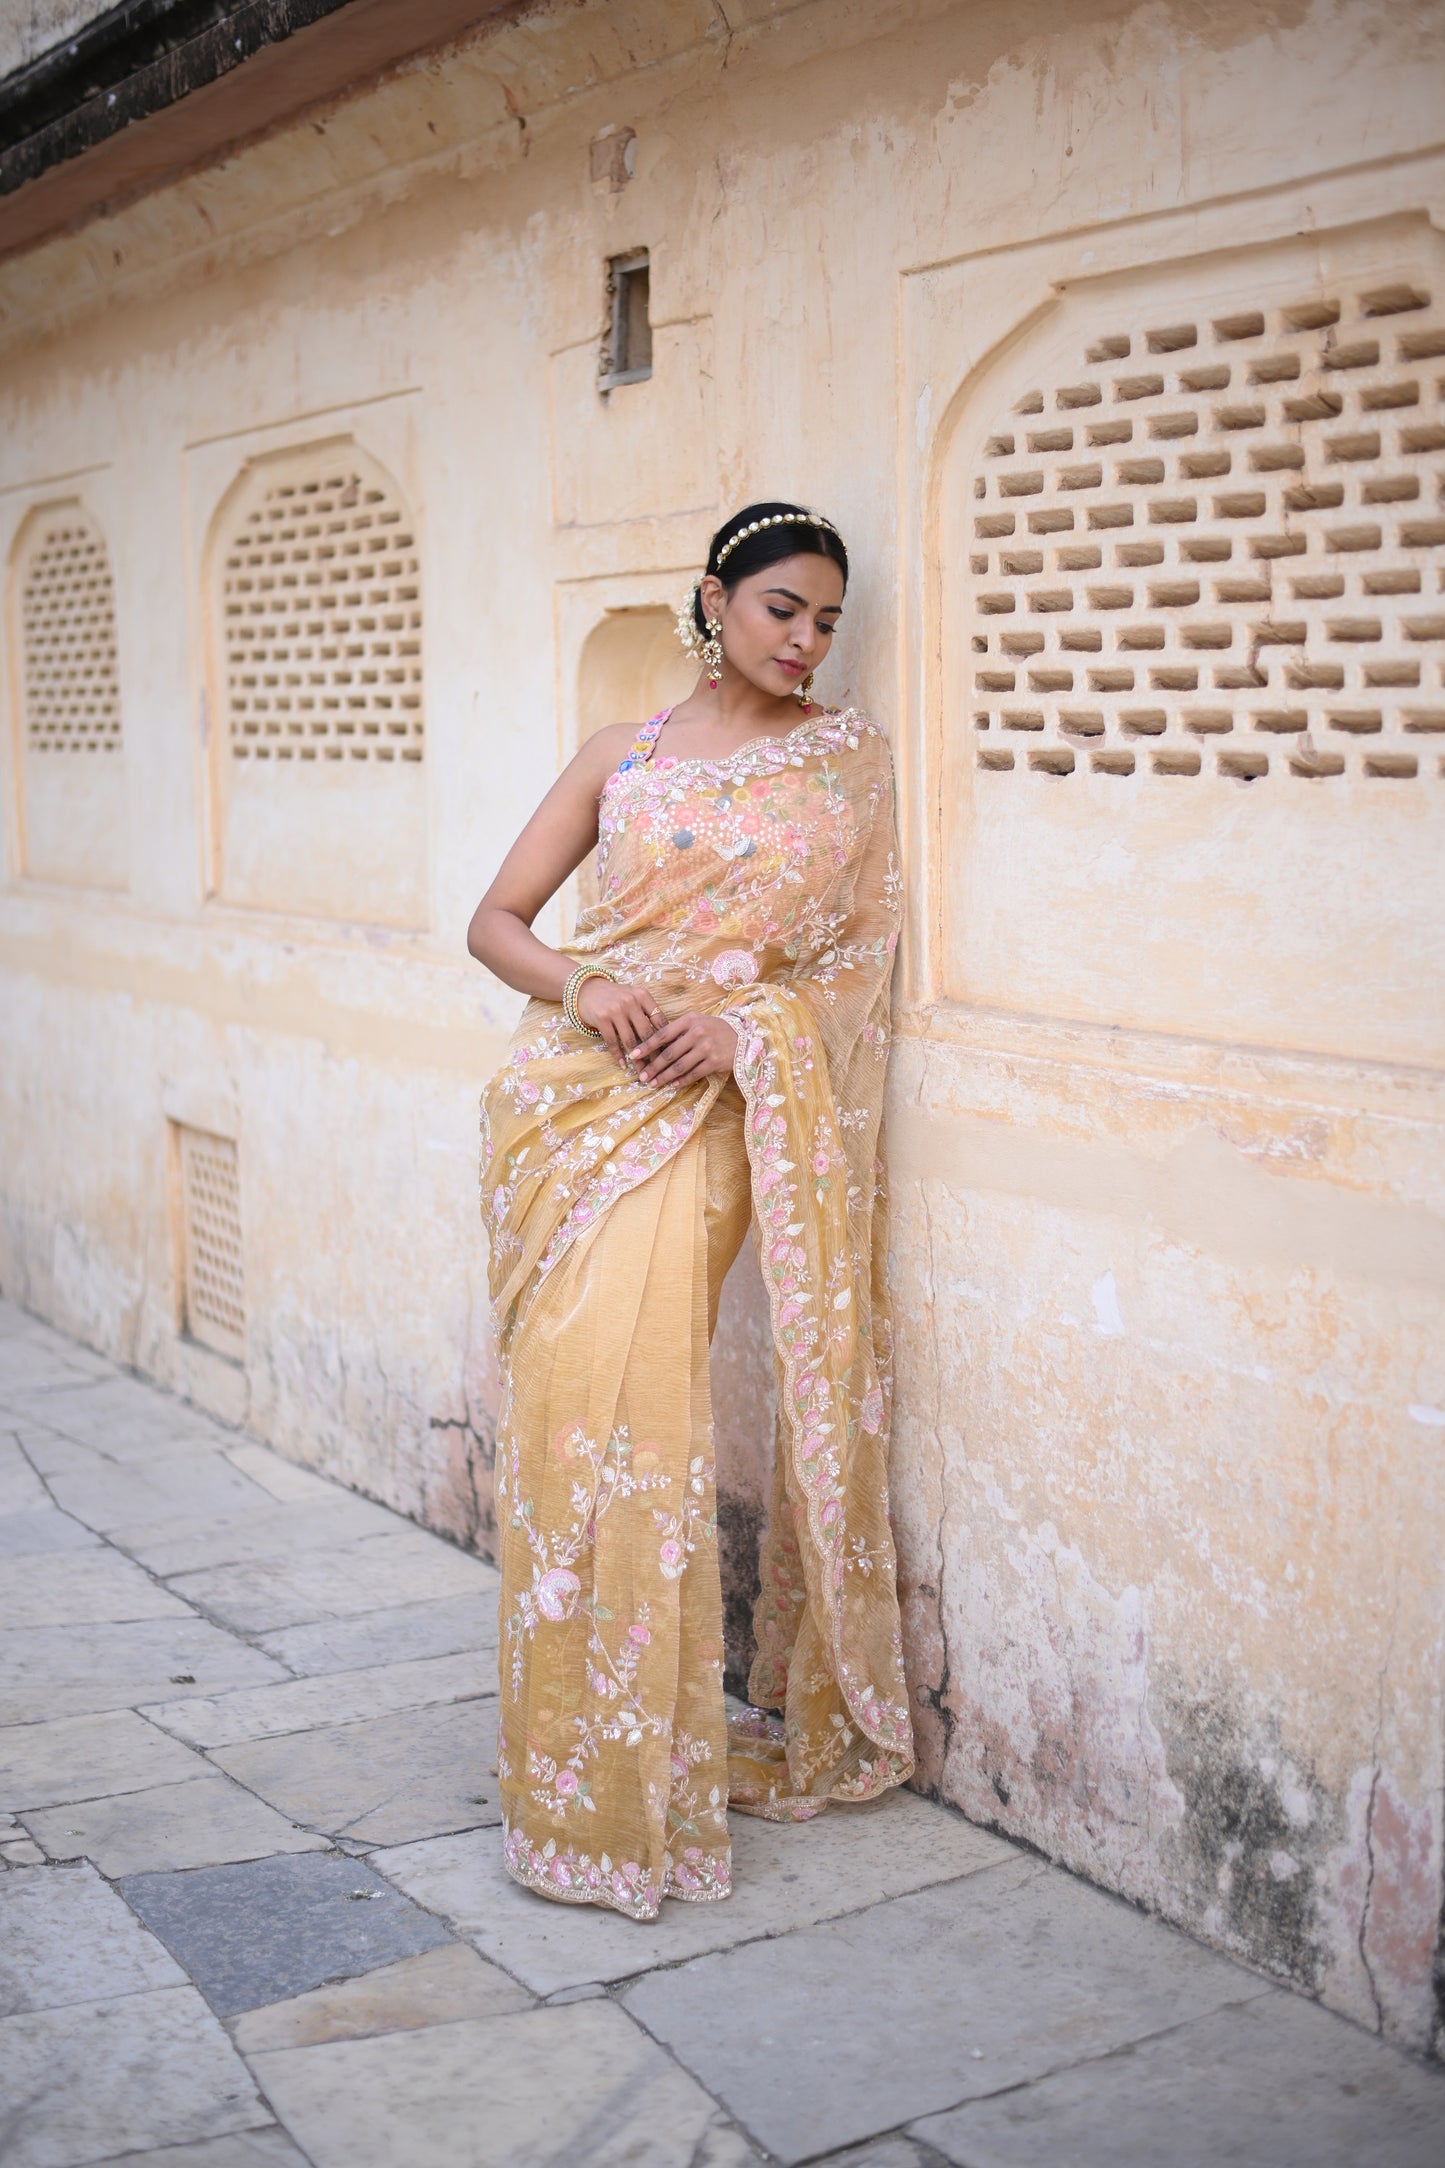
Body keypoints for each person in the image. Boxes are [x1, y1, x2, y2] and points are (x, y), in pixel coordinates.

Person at [468, 500, 914, 1920]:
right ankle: (569, 1779)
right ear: (715, 601)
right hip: (569, 1107)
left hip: (711, 1114)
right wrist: (589, 987)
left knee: (636, 1421)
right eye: (784, 609)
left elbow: (856, 965)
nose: (807, 640)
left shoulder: (846, 762)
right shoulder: (624, 753)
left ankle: (633, 1787)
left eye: (828, 621)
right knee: (564, 1413)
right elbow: (496, 923)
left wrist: (743, 1033)